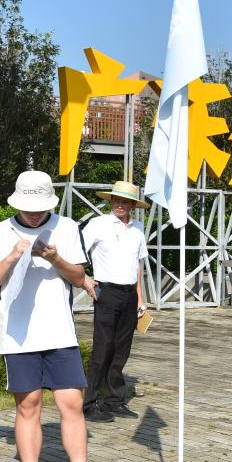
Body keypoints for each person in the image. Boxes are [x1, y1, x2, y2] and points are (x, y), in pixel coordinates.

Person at [0, 170, 109, 462]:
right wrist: (12, 256)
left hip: (59, 331)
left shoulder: (66, 227)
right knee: (28, 405)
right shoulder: (0, 231)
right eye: (28, 207)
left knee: (72, 404)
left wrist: (54, 258)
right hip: (18, 335)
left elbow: (79, 277)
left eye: (40, 208)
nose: (34, 214)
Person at [81, 181, 149, 423]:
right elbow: (77, 251)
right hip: (107, 291)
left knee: (122, 349)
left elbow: (137, 265)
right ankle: (88, 404)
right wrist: (84, 279)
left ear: (133, 205)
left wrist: (140, 298)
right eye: (116, 200)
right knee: (102, 348)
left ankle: (114, 401)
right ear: (110, 201)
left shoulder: (138, 229)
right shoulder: (98, 224)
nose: (120, 205)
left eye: (125, 201)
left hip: (130, 294)